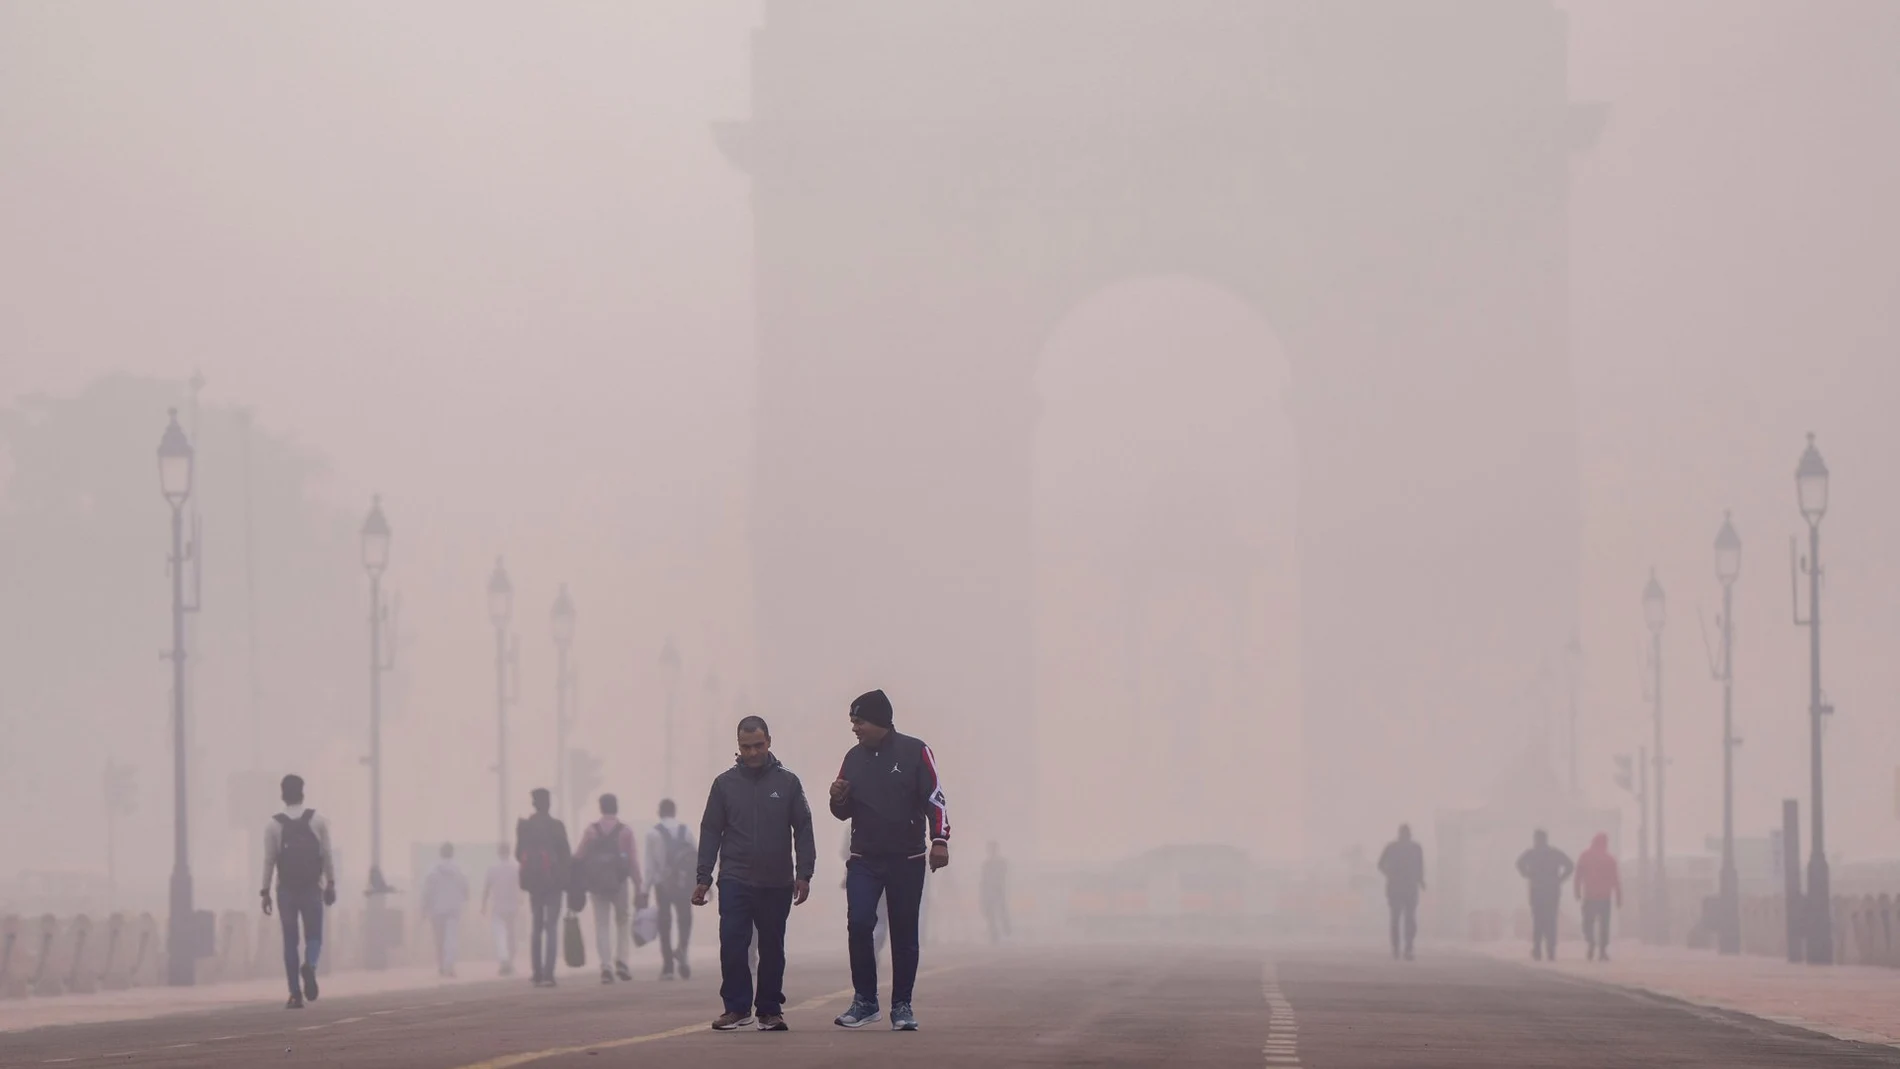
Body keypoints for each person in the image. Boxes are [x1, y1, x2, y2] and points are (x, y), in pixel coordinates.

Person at [829, 688, 949, 1032]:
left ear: (879, 720)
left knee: (904, 933)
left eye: (859, 721)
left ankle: (902, 1006)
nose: (854, 728)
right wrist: (837, 800)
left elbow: (935, 798)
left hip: (907, 858)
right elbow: (842, 812)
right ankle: (865, 1001)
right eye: (853, 721)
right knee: (860, 923)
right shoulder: (852, 757)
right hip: (864, 858)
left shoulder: (915, 751)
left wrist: (939, 839)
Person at [693, 715, 816, 1032]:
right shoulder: (724, 785)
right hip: (735, 878)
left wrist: (805, 873)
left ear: (769, 742)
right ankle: (736, 1008)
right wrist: (703, 877)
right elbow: (710, 831)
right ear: (738, 746)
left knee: (772, 947)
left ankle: (769, 1009)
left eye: (758, 745)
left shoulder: (788, 783)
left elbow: (803, 829)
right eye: (745, 747)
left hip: (776, 881)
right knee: (733, 943)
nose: (752, 753)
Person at [259, 773, 336, 1010]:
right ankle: (310, 965)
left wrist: (264, 891)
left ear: (283, 794)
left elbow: (270, 860)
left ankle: (294, 994)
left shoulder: (273, 825)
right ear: (303, 793)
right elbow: (326, 856)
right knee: (314, 935)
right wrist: (331, 883)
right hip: (312, 888)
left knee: (290, 941)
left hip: (286, 891)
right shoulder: (319, 821)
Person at [572, 793, 643, 984]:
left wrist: (577, 880)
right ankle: (622, 961)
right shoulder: (625, 831)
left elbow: (579, 856)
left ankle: (605, 966)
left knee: (602, 924)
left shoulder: (591, 830)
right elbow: (633, 861)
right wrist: (639, 885)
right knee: (622, 921)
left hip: (596, 885)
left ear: (601, 808)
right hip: (619, 883)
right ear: (616, 807)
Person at [515, 787, 572, 987]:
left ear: (534, 804)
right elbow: (566, 855)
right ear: (549, 804)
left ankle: (536, 972)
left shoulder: (525, 826)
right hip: (554, 882)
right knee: (551, 927)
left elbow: (518, 854)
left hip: (534, 882)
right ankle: (549, 973)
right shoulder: (557, 826)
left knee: (536, 926)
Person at [646, 798, 698, 981]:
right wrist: (702, 882)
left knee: (665, 923)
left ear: (660, 812)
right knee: (685, 918)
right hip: (684, 883)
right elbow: (696, 857)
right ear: (674, 811)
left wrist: (644, 890)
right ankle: (682, 950)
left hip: (663, 884)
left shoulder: (653, 833)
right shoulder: (686, 831)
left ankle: (668, 966)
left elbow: (650, 866)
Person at [1517, 829, 1574, 961]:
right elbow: (1570, 865)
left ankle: (1537, 949)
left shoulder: (1531, 853)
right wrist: (1560, 879)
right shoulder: (1554, 853)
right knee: (1551, 921)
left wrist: (1527, 874)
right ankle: (1551, 950)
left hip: (1537, 892)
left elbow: (1519, 863)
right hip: (1552, 892)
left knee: (1538, 921)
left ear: (1536, 839)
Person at [1377, 824, 1426, 960]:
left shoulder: (1392, 847)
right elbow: (1420, 866)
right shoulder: (1415, 848)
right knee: (1407, 919)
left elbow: (1380, 865)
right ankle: (1406, 948)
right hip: (1407, 887)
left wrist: (1390, 874)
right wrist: (1420, 880)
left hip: (1397, 887)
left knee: (1398, 919)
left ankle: (1399, 948)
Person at [421, 842, 470, 977]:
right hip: (454, 909)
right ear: (452, 853)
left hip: (436, 910)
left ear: (440, 853)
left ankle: (442, 966)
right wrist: (464, 899)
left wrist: (424, 908)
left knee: (439, 940)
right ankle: (449, 966)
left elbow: (427, 891)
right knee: (451, 939)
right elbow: (465, 888)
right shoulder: (459, 869)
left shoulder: (433, 870)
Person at [1574, 832, 1623, 961]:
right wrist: (1618, 896)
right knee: (1604, 925)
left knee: (1587, 924)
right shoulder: (1609, 859)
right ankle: (1602, 950)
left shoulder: (1585, 856)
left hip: (1590, 896)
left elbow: (1578, 875)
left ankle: (1591, 942)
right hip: (1604, 897)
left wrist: (1577, 891)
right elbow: (1615, 880)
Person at [482, 842, 522, 976]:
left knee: (500, 935)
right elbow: (521, 886)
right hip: (513, 906)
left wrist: (483, 905)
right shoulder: (516, 867)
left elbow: (487, 888)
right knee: (512, 935)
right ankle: (510, 962)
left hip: (498, 907)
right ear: (509, 852)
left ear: (499, 853)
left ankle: (504, 961)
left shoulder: (492, 868)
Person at [980, 841, 1010, 944]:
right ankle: (995, 935)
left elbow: (1002, 876)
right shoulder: (987, 864)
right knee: (991, 914)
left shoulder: (1001, 863)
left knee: (1001, 912)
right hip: (990, 891)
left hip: (998, 890)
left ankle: (1006, 932)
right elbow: (983, 880)